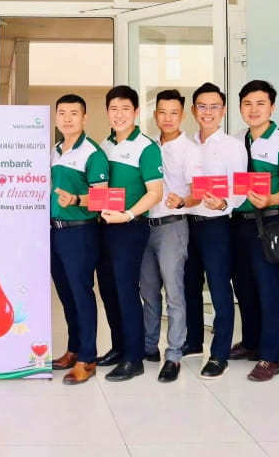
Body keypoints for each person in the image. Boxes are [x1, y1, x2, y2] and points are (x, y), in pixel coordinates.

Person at [229, 80, 279, 382]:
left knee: (269, 289)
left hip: (269, 222)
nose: (254, 109)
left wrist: (270, 199)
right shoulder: (235, 141)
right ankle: (251, 343)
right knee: (243, 286)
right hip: (238, 222)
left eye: (261, 103)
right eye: (247, 103)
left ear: (272, 107)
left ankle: (270, 356)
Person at [98, 85, 164, 382]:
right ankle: (119, 347)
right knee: (108, 289)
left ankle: (134, 357)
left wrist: (128, 214)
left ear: (136, 112)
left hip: (129, 227)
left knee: (126, 290)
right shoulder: (104, 145)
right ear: (107, 112)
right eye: (114, 109)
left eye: (125, 108)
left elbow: (155, 193)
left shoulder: (146, 147)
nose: (119, 114)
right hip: (104, 227)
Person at [183, 82, 246, 379]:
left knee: (220, 288)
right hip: (187, 223)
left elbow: (240, 189)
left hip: (217, 225)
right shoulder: (186, 144)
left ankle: (220, 353)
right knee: (189, 284)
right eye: (202, 106)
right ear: (193, 110)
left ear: (223, 111)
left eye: (214, 106)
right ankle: (193, 341)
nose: (207, 112)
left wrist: (223, 203)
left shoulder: (232, 146)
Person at [140, 89, 203, 383]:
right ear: (155, 115)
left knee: (174, 293)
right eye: (162, 112)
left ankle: (174, 354)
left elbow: (198, 193)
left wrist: (182, 202)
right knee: (149, 292)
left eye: (173, 113)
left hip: (172, 227)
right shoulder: (148, 146)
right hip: (144, 227)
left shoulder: (190, 150)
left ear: (183, 115)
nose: (167, 118)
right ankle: (148, 347)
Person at [47, 95, 109, 385]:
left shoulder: (92, 153)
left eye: (74, 113)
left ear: (84, 118)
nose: (67, 118)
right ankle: (73, 349)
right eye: (62, 113)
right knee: (66, 294)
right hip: (54, 231)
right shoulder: (54, 150)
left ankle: (87, 357)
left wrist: (75, 199)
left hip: (80, 232)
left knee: (81, 293)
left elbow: (102, 197)